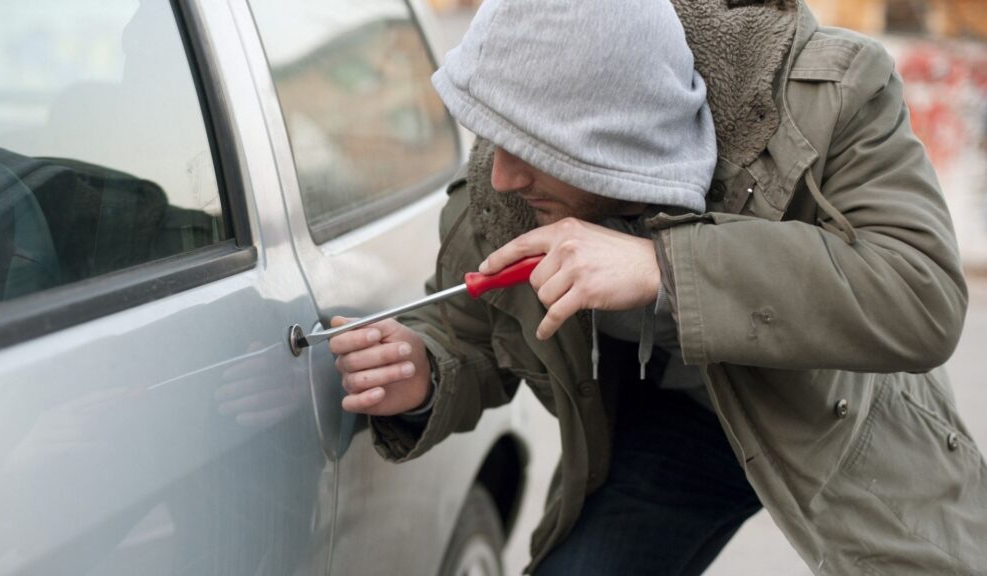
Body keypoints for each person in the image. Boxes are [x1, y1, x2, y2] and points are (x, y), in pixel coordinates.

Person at [330, 0, 986, 574]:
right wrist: (425, 370)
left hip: (839, 413)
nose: (502, 177)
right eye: (494, 137)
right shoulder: (505, 193)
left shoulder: (830, 95)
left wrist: (662, 267)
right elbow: (470, 334)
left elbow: (921, 293)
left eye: (530, 147)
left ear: (613, 133)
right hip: (676, 431)